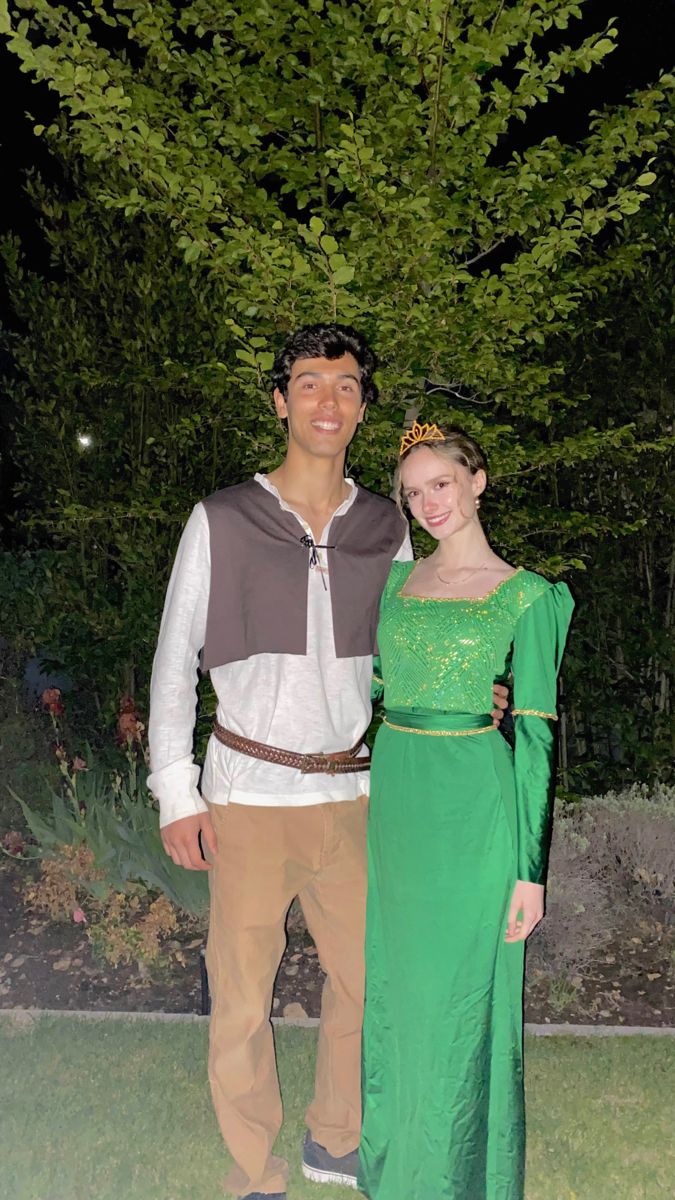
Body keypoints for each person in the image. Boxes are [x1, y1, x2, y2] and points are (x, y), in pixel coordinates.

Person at [147, 327, 507, 1200]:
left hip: (354, 794)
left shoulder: (385, 526)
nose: (327, 402)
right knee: (241, 998)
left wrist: (464, 690)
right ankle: (251, 1165)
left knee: (365, 981)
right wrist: (175, 793)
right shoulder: (222, 518)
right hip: (246, 798)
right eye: (309, 384)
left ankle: (334, 1139)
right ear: (280, 401)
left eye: (345, 387)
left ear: (360, 405)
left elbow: (393, 648)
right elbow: (171, 660)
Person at [359, 422, 574, 1200]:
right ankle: (394, 1168)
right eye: (412, 493)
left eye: (439, 484)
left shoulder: (529, 597)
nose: (426, 505)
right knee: (398, 987)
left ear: (476, 480)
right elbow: (371, 686)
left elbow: (538, 739)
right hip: (399, 796)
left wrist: (528, 872)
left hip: (474, 804)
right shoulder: (391, 583)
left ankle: (456, 1178)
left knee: (462, 994)